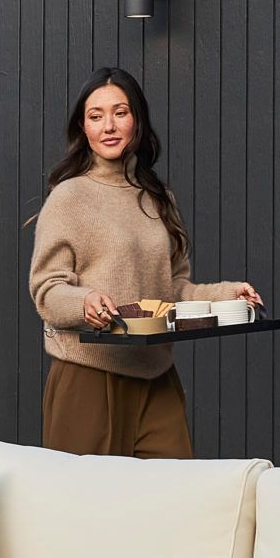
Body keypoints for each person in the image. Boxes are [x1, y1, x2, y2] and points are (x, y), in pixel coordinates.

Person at [28, 67, 263, 458]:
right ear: (83, 128)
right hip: (88, 376)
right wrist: (84, 303)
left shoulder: (157, 197)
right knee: (88, 513)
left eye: (120, 112)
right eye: (96, 115)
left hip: (156, 375)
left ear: (137, 119)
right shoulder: (70, 198)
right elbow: (48, 290)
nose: (109, 125)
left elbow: (172, 291)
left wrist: (227, 294)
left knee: (172, 502)